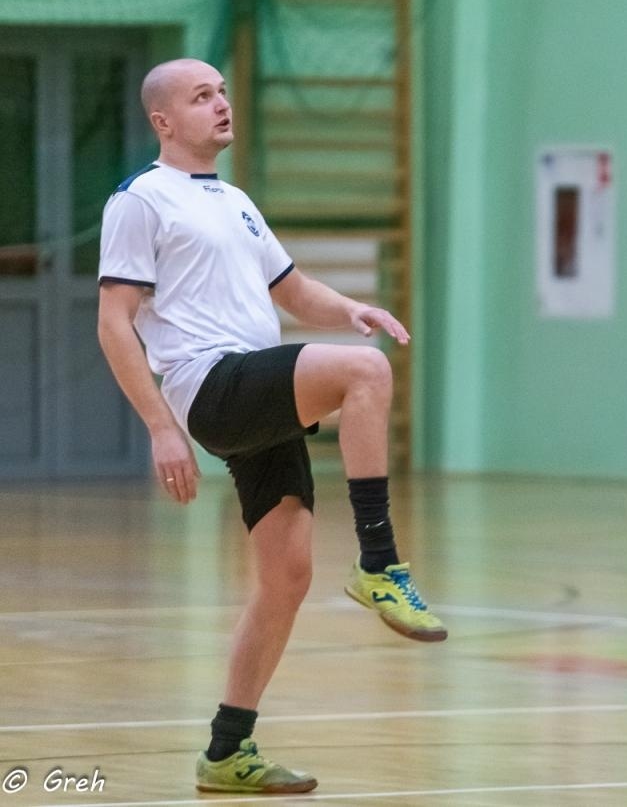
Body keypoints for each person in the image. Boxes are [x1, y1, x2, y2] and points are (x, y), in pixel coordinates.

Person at [96, 58, 445, 796]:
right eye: (201, 96)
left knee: (286, 576)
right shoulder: (141, 201)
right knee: (366, 372)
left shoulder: (235, 200)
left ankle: (228, 750)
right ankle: (380, 561)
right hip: (211, 386)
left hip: (258, 390)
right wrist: (161, 425)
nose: (222, 103)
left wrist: (350, 308)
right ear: (163, 120)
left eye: (222, 91)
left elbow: (289, 288)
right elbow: (113, 322)